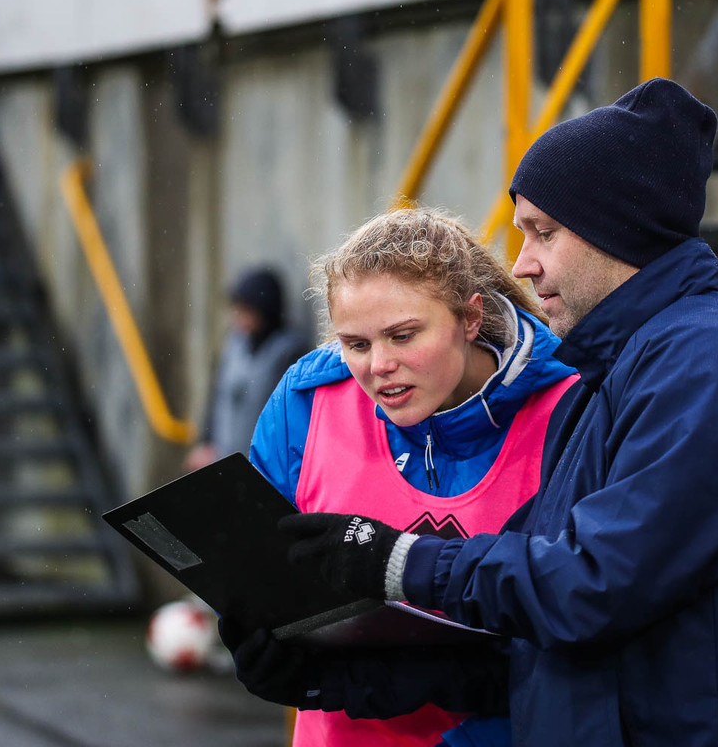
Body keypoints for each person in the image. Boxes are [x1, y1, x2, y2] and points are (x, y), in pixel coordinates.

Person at [274, 78, 718, 745]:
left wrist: (397, 560)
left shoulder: (709, 364)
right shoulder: (612, 379)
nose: (521, 265)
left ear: (621, 230)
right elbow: (545, 638)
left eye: (543, 233)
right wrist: (343, 678)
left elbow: (595, 583)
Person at [218, 208, 578, 746]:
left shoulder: (572, 409)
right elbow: (260, 572)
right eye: (356, 344)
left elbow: (581, 610)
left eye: (403, 336)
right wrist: (258, 642)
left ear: (470, 318)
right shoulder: (305, 402)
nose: (378, 365)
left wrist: (402, 675)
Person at [184, 266, 312, 472]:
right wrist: (205, 442)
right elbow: (216, 396)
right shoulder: (234, 343)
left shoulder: (289, 352)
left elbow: (291, 417)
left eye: (246, 310)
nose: (239, 317)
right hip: (223, 458)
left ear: (264, 310)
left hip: (264, 465)